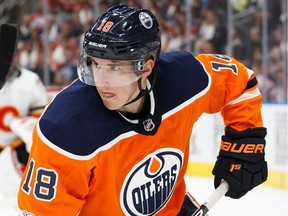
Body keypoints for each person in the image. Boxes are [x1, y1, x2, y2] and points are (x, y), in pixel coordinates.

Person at [17, 4, 268, 215]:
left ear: (146, 67)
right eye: (96, 64)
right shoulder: (65, 128)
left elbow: (240, 81)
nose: (102, 80)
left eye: (115, 67)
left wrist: (245, 142)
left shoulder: (184, 78)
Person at [0, 49, 49, 176]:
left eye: (13, 55)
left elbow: (40, 119)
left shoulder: (31, 80)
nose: (9, 60)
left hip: (21, 147)